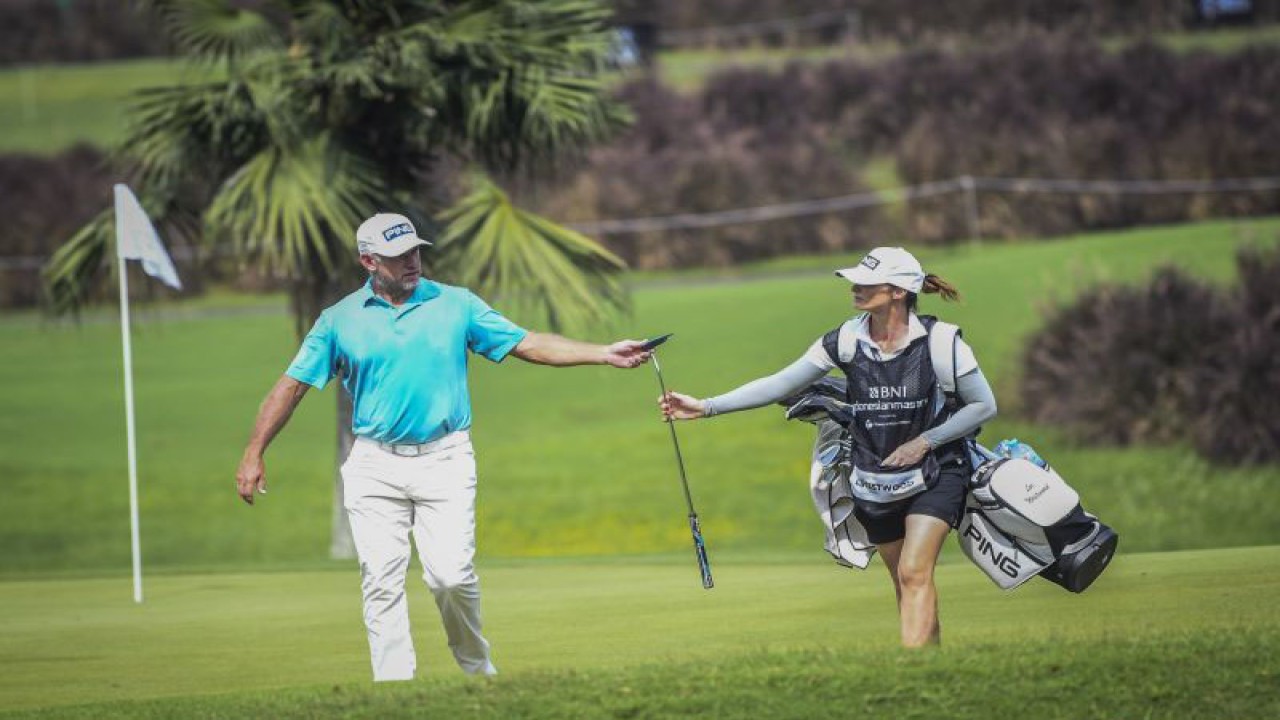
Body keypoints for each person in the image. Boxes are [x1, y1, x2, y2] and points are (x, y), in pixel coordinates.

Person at [235, 212, 651, 682]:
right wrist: (254, 450)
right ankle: (395, 690)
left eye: (415, 251)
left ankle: (478, 672)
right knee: (381, 580)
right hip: (373, 463)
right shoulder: (338, 321)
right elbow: (291, 386)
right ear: (369, 261)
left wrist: (601, 352)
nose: (412, 261)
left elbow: (527, 343)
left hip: (445, 458)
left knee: (450, 577)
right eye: (398, 256)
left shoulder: (457, 304)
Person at [659, 247, 997, 647]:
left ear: (897, 292)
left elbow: (983, 405)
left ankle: (913, 669)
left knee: (914, 572)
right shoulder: (846, 339)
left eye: (867, 283)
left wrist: (925, 442)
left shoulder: (941, 342)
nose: (855, 287)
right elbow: (781, 384)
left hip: (939, 469)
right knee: (905, 582)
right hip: (874, 478)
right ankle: (931, 668)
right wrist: (708, 406)